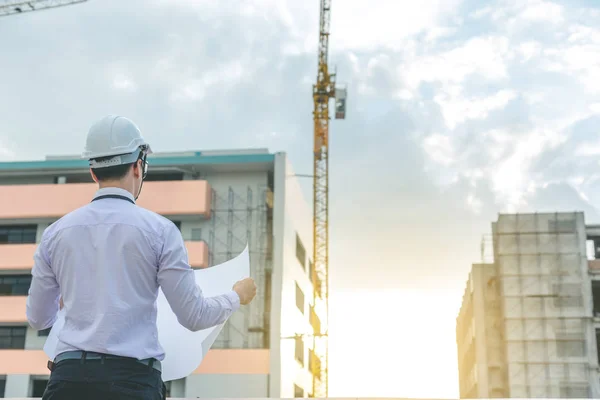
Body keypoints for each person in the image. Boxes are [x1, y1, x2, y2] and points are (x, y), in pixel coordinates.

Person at [25, 115, 257, 400]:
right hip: (132, 384)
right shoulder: (161, 232)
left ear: (93, 172)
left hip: (69, 383)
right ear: (138, 166)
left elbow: (38, 318)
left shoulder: (55, 234)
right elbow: (194, 316)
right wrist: (236, 296)